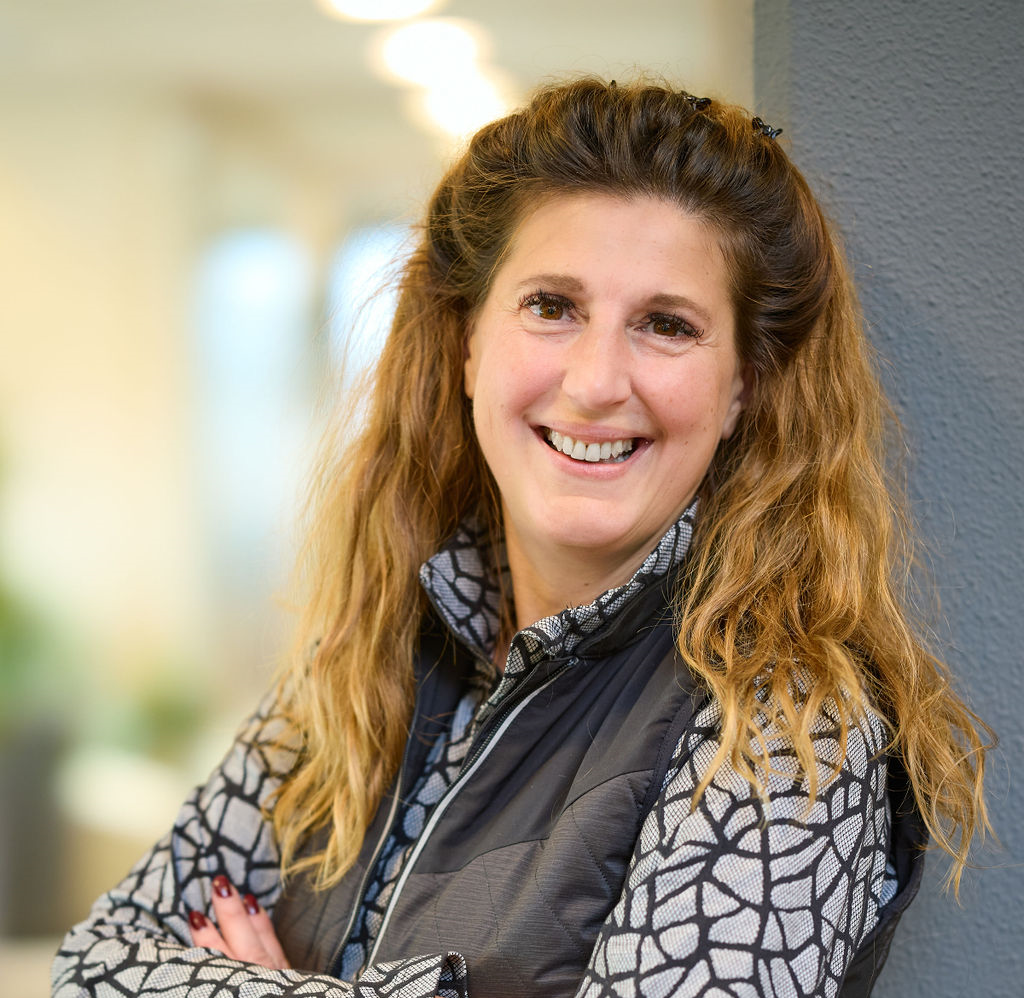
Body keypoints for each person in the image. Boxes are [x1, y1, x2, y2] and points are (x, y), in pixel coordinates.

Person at [52, 77, 991, 998]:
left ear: (742, 386)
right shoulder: (368, 660)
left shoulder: (787, 738)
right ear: (466, 344)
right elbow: (95, 968)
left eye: (666, 325)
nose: (594, 381)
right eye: (553, 306)